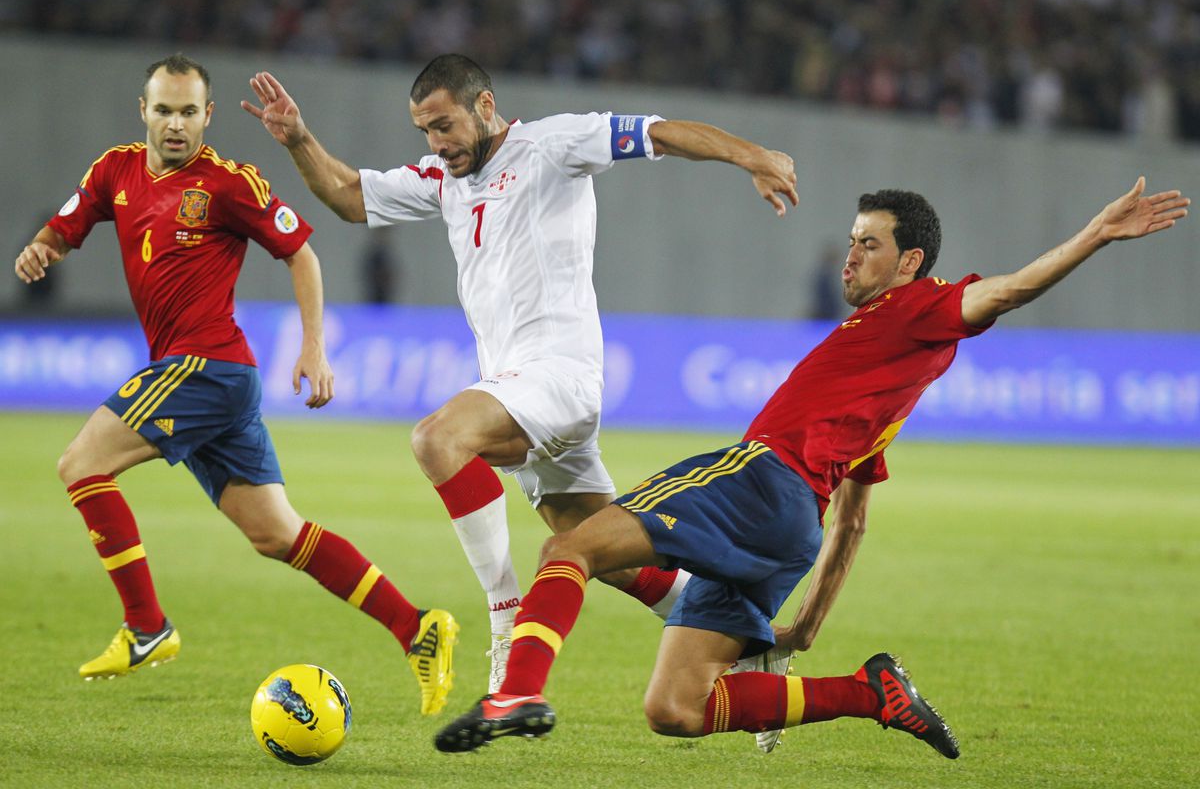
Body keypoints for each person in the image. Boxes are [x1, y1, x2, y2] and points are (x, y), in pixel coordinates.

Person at [432, 178, 1189, 756]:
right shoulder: (884, 381)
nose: (851, 255)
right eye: (852, 240)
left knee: (571, 547)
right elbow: (852, 520)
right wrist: (802, 629)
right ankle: (871, 693)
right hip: (793, 525)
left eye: (869, 243)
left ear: (912, 261)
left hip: (759, 480)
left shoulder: (922, 308)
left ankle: (516, 694)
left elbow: (1009, 292)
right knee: (677, 709)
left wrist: (1095, 233)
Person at [241, 53, 799, 692]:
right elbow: (349, 197)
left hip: (558, 376)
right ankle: (752, 639)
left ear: (484, 106)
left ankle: (505, 620)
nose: (436, 143)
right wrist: (299, 139)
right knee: (601, 551)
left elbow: (661, 133)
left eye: (445, 125)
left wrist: (752, 156)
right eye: (424, 130)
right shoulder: (443, 177)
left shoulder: (552, 144)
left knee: (437, 438)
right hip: (522, 392)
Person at [13, 54, 457, 716]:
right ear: (144, 111)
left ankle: (147, 627)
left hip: (207, 367)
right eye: (163, 109)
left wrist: (313, 347)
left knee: (81, 465)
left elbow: (300, 252)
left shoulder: (228, 184)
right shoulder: (115, 169)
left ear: (207, 115)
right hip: (205, 380)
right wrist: (44, 247)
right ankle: (417, 628)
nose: (174, 124)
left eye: (188, 111)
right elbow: (69, 224)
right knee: (278, 535)